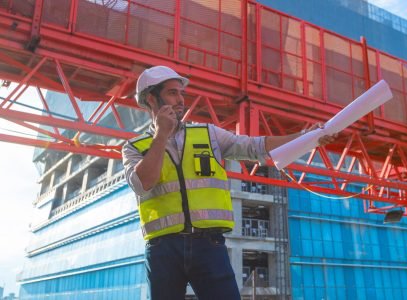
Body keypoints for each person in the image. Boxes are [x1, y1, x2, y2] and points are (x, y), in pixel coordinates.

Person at [122, 66, 336, 299]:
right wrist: (161, 135)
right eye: (173, 93)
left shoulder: (208, 134)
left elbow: (255, 147)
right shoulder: (134, 147)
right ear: (152, 98)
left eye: (182, 93)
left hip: (209, 244)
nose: (181, 100)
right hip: (162, 249)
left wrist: (308, 137)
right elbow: (144, 183)